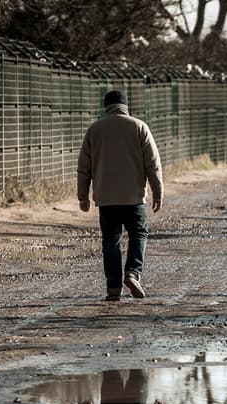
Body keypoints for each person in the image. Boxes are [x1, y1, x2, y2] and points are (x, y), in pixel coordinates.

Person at [77, 90, 163, 301]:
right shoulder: (139, 127)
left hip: (106, 198)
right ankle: (133, 273)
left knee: (111, 241)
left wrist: (83, 196)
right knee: (138, 234)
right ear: (125, 106)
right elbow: (153, 164)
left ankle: (113, 288)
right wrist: (158, 192)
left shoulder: (94, 129)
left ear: (106, 106)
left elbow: (84, 167)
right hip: (134, 197)